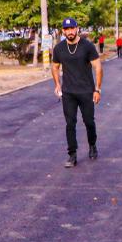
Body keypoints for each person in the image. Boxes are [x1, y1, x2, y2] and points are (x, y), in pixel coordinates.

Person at [51, 18, 103, 167]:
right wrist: (57, 84)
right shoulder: (59, 48)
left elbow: (98, 68)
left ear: (77, 29)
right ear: (63, 31)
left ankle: (92, 145)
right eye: (67, 29)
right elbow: (55, 67)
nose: (70, 32)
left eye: (72, 28)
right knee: (70, 123)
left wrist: (97, 89)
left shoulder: (87, 46)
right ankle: (72, 155)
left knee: (89, 121)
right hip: (68, 92)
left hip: (86, 91)